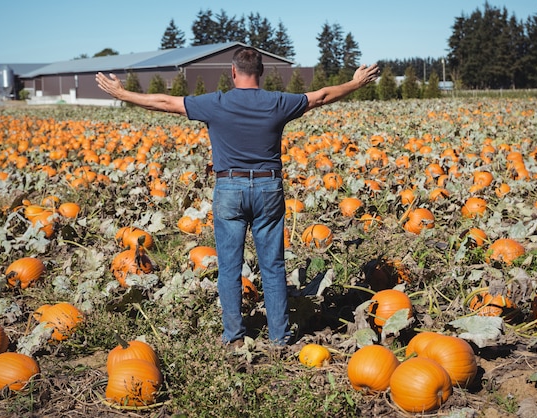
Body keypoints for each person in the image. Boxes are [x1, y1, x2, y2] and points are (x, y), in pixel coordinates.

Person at [96, 46, 379, 347]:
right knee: (273, 266)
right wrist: (356, 83)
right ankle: (280, 337)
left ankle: (233, 337)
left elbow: (164, 102)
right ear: (261, 72)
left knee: (229, 266)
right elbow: (321, 96)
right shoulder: (277, 102)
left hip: (229, 189)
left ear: (233, 72)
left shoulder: (215, 103)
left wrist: (124, 94)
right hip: (268, 189)